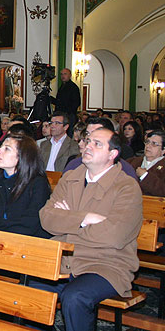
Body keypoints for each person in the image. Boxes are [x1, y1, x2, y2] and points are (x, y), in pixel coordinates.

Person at [38, 128, 143, 331]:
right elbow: (46, 219)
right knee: (31, 289)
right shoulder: (71, 178)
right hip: (65, 260)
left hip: (107, 264)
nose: (88, 146)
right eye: (88, 141)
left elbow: (114, 236)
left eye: (97, 143)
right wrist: (85, 219)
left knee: (75, 297)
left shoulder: (126, 187)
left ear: (113, 154)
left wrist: (68, 224)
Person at [0, 134, 51, 238]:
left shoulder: (38, 184)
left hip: (25, 244)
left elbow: (30, 223)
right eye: (1, 147)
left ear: (23, 156)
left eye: (7, 149)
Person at [63, 117, 138, 179]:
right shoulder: (74, 165)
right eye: (88, 134)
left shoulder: (125, 172)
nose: (89, 138)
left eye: (96, 133)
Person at [128, 130, 165, 196]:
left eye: (154, 144)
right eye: (147, 142)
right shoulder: (131, 162)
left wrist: (145, 176)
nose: (148, 146)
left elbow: (162, 191)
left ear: (163, 150)